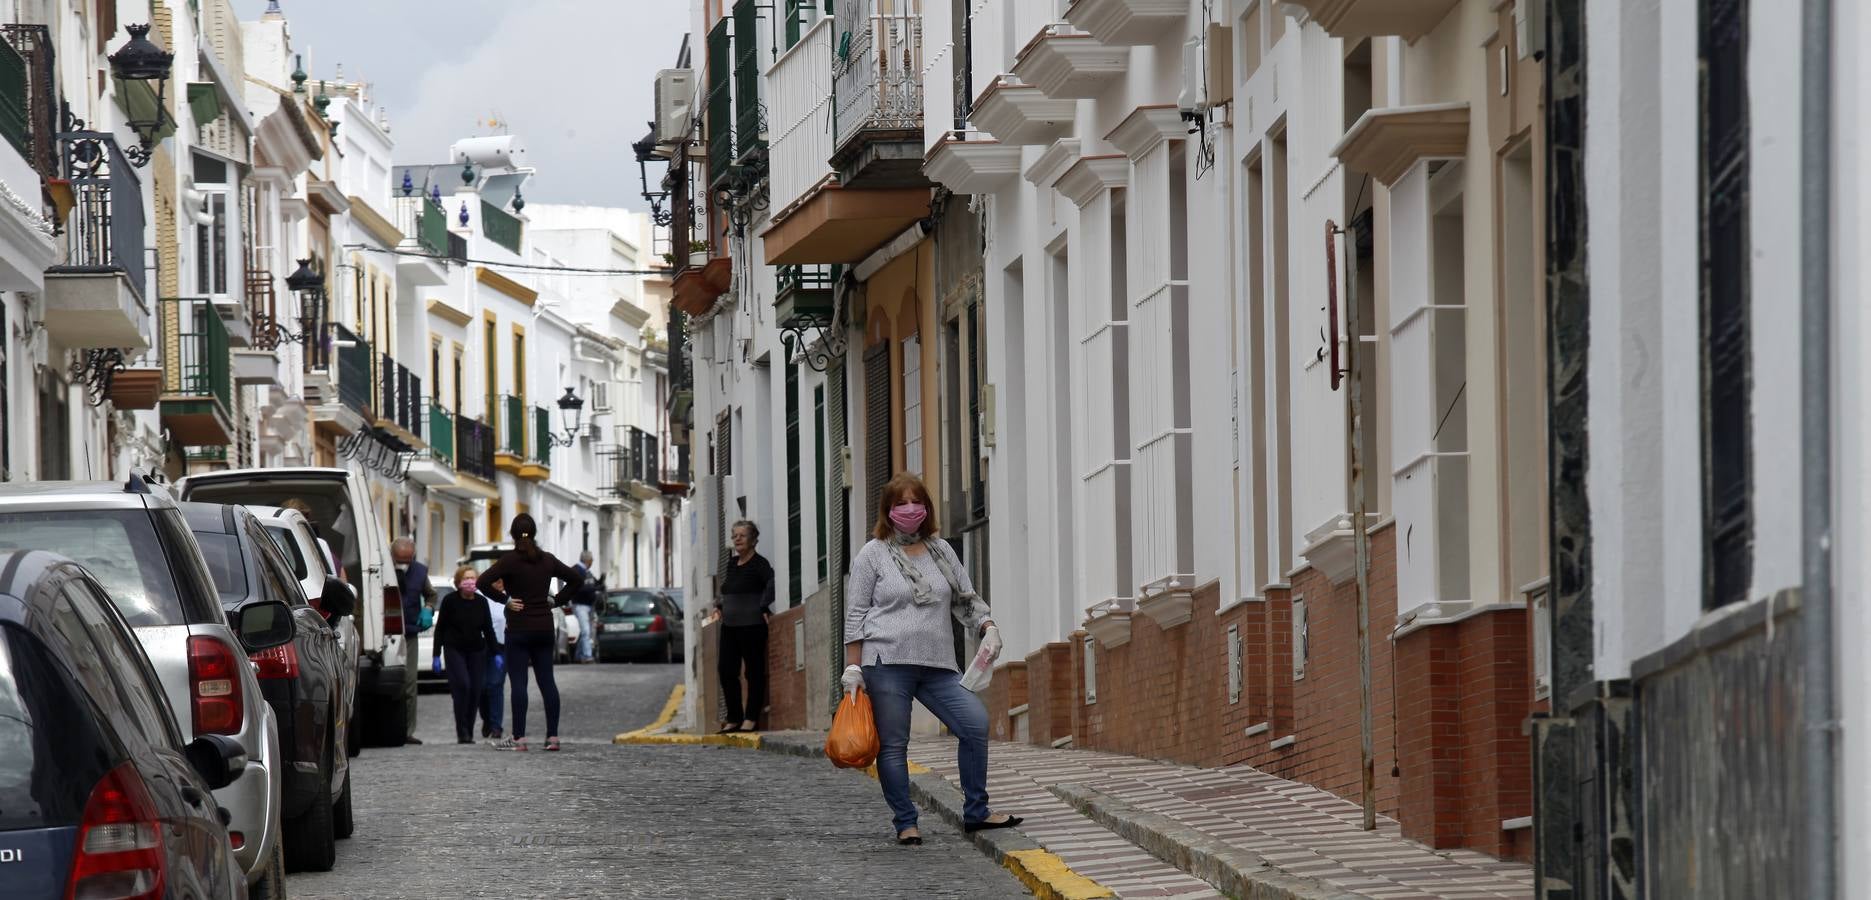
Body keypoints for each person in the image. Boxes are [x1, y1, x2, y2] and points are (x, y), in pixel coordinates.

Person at [842, 474, 1021, 846]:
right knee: (894, 745)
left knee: (973, 724)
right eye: (900, 503)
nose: (910, 509)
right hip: (885, 661)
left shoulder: (941, 551)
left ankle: (977, 812)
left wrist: (988, 625)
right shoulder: (872, 554)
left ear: (927, 507)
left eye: (916, 501)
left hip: (937, 663)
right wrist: (853, 667)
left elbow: (965, 599)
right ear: (888, 511)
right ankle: (906, 822)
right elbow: (856, 614)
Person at [478, 514, 584, 752]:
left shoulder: (509, 561)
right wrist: (557, 601)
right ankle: (553, 737)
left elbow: (482, 582)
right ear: (534, 533)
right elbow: (577, 579)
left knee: (519, 684)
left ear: (513, 535)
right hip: (544, 627)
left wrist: (505, 600)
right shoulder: (547, 560)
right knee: (547, 682)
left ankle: (519, 738)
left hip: (518, 628)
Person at [713, 520, 773, 733]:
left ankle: (750, 718)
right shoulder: (731, 563)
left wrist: (764, 606)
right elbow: (727, 588)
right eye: (734, 535)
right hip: (730, 626)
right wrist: (719, 605)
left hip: (752, 626)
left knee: (753, 673)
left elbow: (770, 584)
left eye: (742, 535)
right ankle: (734, 717)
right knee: (726, 670)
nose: (737, 539)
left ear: (753, 539)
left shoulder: (760, 564)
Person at [432, 567, 500, 744]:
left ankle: (468, 731)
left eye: (473, 578)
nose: (470, 581)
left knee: (476, 691)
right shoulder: (449, 601)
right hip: (454, 649)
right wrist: (436, 654)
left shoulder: (481, 602)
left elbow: (488, 629)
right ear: (459, 582)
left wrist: (495, 653)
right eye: (466, 578)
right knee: (463, 686)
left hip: (477, 650)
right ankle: (461, 730)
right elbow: (440, 628)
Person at [392, 537, 436, 745]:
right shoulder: (381, 567)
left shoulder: (419, 571)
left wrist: (428, 609)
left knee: (409, 683)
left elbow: (431, 595)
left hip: (409, 633)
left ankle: (408, 730)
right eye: (400, 559)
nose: (404, 563)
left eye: (407, 560)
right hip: (387, 633)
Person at [479, 576, 509, 741]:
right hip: (482, 646)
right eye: (495, 580)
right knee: (482, 687)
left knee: (495, 685)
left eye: (501, 580)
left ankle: (496, 726)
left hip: (502, 648)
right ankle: (487, 719)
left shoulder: (509, 598)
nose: (498, 583)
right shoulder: (481, 596)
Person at [567, 551, 604, 664]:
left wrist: (600, 582)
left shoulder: (587, 572)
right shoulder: (577, 570)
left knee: (585, 631)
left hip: (588, 605)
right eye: (592, 560)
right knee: (585, 631)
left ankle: (578, 655)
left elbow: (592, 584)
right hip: (580, 605)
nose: (592, 562)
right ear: (588, 561)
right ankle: (587, 655)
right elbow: (579, 588)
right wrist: (595, 588)